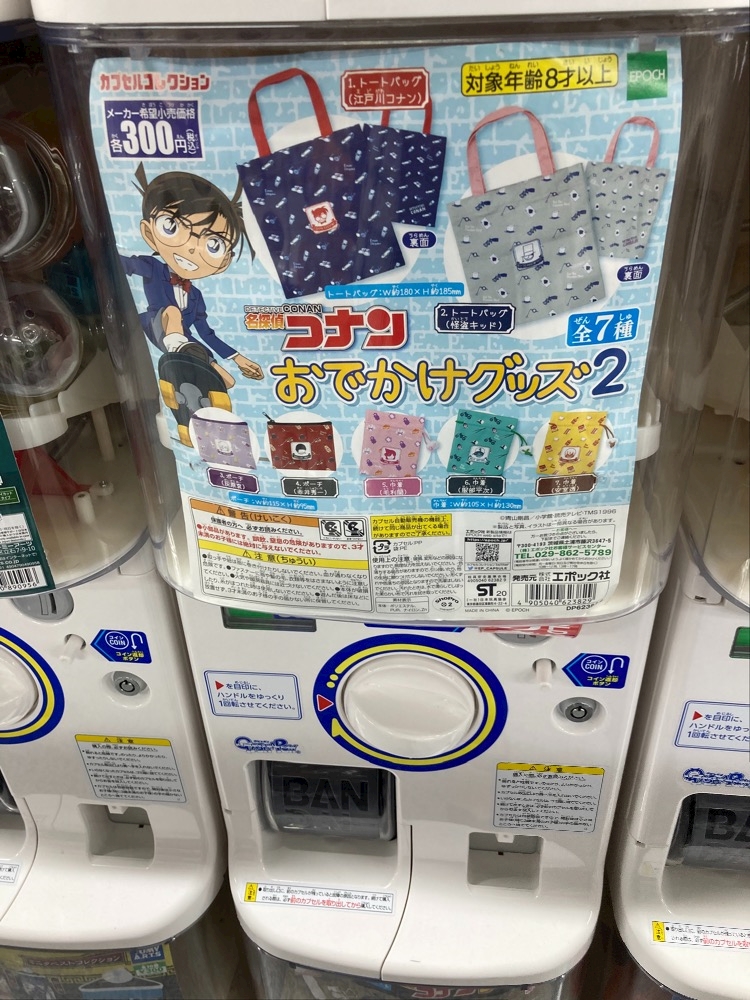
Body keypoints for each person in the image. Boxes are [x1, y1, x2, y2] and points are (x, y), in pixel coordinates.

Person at [120, 164, 262, 388]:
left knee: (227, 381)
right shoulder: (153, 268)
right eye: (172, 226)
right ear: (149, 232)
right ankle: (178, 358)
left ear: (223, 262)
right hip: (154, 326)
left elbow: (207, 333)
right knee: (172, 312)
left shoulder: (195, 296)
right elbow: (125, 264)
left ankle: (190, 390)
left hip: (189, 343)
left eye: (214, 244)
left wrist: (238, 358)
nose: (193, 248)